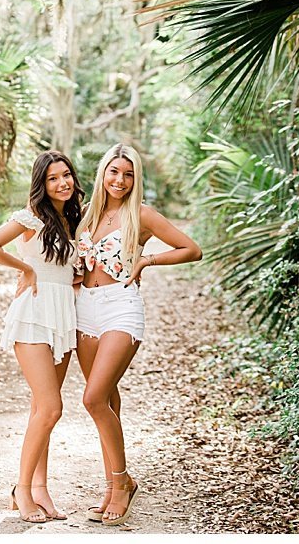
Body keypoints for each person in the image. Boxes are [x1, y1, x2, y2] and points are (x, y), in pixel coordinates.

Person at [73, 143, 201, 525]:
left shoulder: (141, 215)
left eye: (128, 174)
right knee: (108, 400)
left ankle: (122, 481)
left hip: (121, 306)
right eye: (114, 172)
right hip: (84, 308)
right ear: (102, 174)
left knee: (93, 399)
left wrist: (148, 258)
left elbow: (191, 249)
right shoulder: (84, 215)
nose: (120, 180)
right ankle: (113, 485)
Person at [0, 150, 86, 524]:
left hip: (63, 316)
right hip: (34, 315)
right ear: (42, 183)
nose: (63, 183)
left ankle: (40, 489)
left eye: (67, 175)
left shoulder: (72, 221)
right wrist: (25, 268)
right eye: (54, 178)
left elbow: (69, 270)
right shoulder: (32, 217)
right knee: (51, 406)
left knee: (43, 411)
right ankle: (21, 490)